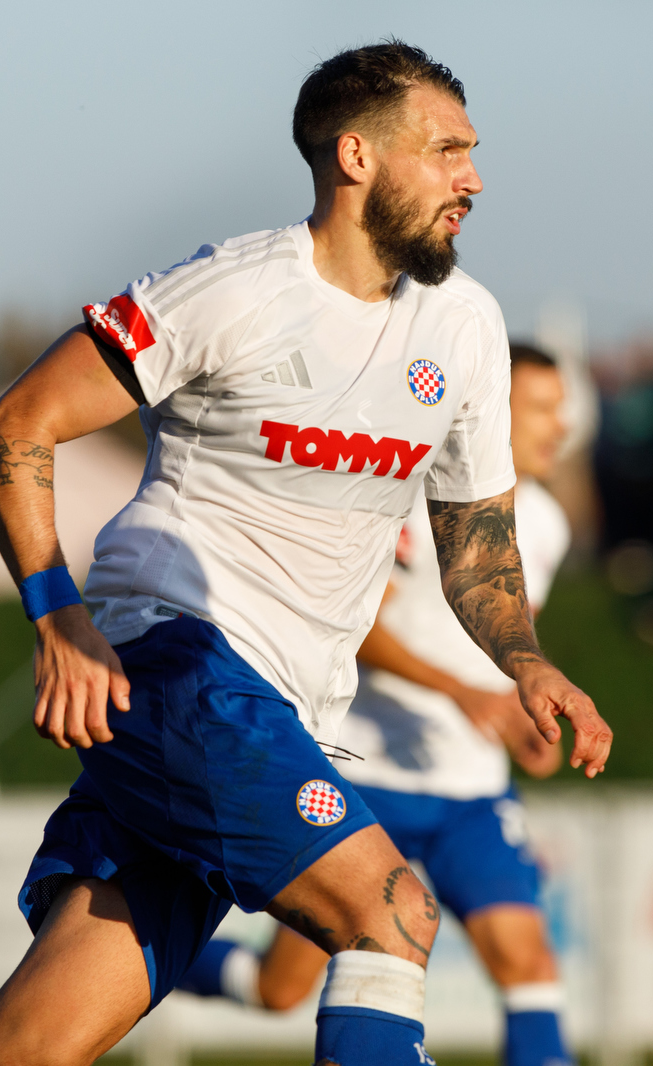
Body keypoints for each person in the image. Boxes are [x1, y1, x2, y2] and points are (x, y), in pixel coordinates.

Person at [0, 41, 612, 1066]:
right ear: (355, 157)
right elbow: (16, 425)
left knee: (22, 1050)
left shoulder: (466, 326)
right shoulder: (234, 290)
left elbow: (475, 540)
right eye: (445, 151)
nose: (471, 177)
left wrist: (523, 658)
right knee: (391, 913)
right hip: (179, 662)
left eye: (470, 152)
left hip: (286, 702)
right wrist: (59, 619)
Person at [179, 344, 576, 1066]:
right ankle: (155, 958)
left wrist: (524, 710)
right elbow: (360, 624)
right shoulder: (415, 501)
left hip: (471, 794)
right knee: (279, 989)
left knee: (529, 966)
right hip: (368, 776)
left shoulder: (547, 524)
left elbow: (500, 638)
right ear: (493, 414)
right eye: (543, 408)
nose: (563, 427)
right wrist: (460, 693)